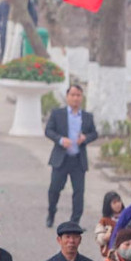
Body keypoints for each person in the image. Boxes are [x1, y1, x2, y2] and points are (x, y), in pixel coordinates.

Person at [43, 84, 98, 229]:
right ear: (67, 97)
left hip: (78, 160)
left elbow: (94, 133)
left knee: (79, 192)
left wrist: (85, 138)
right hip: (61, 159)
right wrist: (61, 140)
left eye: (78, 95)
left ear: (82, 97)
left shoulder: (87, 116)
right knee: (54, 189)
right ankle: (51, 212)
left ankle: (75, 222)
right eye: (72, 95)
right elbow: (48, 130)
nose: (75, 98)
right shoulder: (58, 113)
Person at [96, 191, 124, 256]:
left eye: (119, 201)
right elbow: (99, 238)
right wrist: (104, 237)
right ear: (108, 205)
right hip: (110, 254)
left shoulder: (126, 216)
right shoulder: (104, 221)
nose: (118, 204)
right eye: (114, 203)